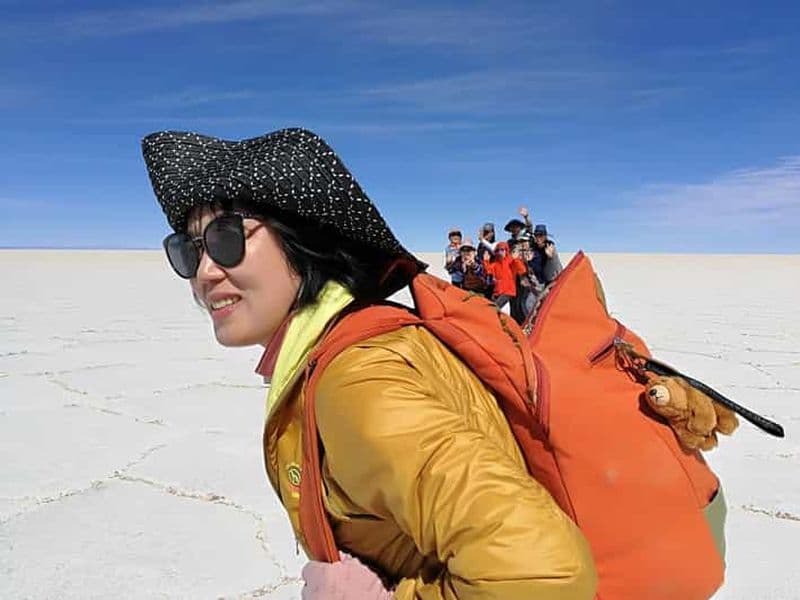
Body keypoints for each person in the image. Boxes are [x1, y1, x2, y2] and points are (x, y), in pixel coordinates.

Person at [142, 128, 595, 599]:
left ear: (303, 238)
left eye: (226, 237)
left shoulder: (358, 380)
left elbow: (545, 576)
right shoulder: (340, 353)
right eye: (189, 250)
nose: (204, 272)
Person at [483, 240, 527, 311]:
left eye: (502, 250)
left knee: (494, 308)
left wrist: (516, 259)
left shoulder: (511, 261)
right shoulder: (495, 264)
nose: (499, 252)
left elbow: (522, 270)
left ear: (506, 250)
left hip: (508, 292)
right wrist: (486, 261)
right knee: (493, 307)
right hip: (497, 292)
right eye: (497, 250)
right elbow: (488, 271)